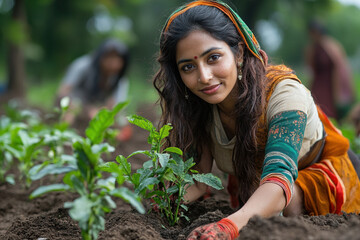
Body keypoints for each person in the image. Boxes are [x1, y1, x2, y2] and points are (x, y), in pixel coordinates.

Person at [152, 1, 360, 239]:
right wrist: (163, 202)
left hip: (322, 182)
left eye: (213, 58)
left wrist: (228, 226)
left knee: (284, 202)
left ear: (239, 53)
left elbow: (278, 181)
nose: (204, 77)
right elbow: (199, 181)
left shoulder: (284, 95)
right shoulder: (200, 106)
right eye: (188, 66)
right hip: (260, 189)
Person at [57, 38, 132, 141]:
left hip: (96, 110)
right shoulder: (82, 66)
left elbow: (116, 106)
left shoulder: (118, 80)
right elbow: (63, 91)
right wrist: (85, 109)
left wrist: (116, 121)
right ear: (100, 57)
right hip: (75, 105)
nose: (113, 63)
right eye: (109, 58)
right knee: (71, 111)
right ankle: (63, 137)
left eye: (118, 59)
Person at [305, 19, 355, 123]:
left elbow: (339, 67)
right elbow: (312, 69)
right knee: (316, 111)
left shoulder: (331, 46)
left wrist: (339, 90)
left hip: (331, 84)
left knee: (329, 113)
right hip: (318, 84)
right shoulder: (313, 49)